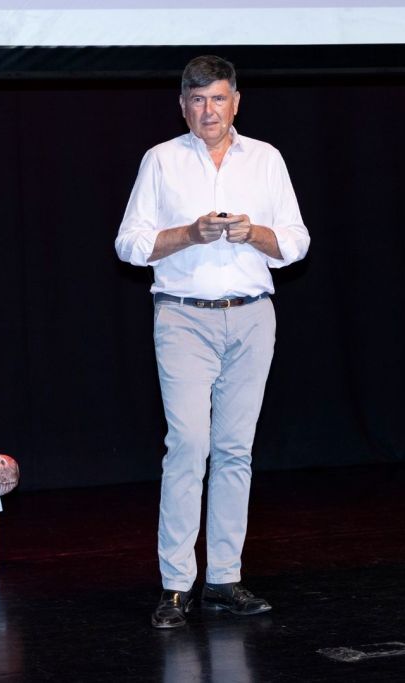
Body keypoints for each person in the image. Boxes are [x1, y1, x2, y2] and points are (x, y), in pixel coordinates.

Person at [115, 55, 310, 628]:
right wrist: (190, 234)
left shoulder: (267, 159)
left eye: (218, 99)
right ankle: (176, 585)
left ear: (236, 103)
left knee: (234, 452)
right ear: (183, 106)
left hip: (252, 318)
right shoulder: (161, 161)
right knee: (188, 447)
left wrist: (256, 234)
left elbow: (296, 242)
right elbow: (130, 244)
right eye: (197, 101)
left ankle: (224, 579)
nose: (208, 111)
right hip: (183, 319)